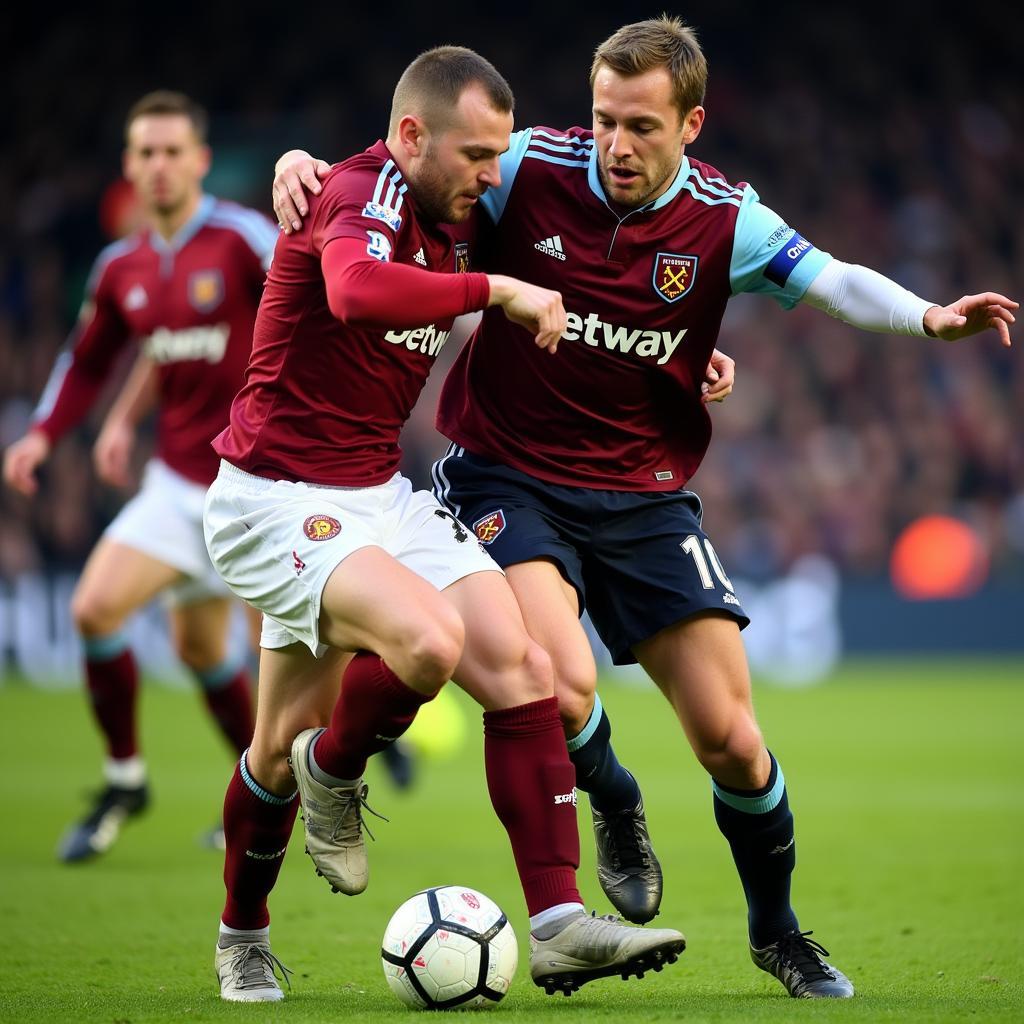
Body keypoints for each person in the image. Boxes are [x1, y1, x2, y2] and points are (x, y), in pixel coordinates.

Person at [275, 17, 1017, 1000]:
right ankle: (613, 796)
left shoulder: (726, 216)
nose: (615, 146)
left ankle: (778, 932)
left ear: (691, 125)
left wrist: (927, 317)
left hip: (645, 498)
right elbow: (395, 176)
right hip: (508, 476)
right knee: (561, 680)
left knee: (733, 740)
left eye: (640, 127)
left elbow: (829, 279)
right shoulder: (526, 167)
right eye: (603, 119)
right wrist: (304, 164)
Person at [203, 45, 685, 1004]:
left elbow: (590, 288)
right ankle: (311, 814)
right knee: (427, 643)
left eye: (501, 154)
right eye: (475, 154)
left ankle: (555, 922)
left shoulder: (457, 209)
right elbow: (353, 290)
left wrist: (683, 359)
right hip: (276, 498)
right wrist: (492, 292)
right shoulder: (363, 195)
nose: (492, 176)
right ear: (411, 135)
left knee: (522, 669)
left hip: (375, 495)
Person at [2, 91, 276, 862]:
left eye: (171, 152)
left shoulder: (242, 239)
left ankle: (285, 785)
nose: (158, 167)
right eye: (145, 154)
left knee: (245, 651)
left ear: (200, 161)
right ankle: (126, 779)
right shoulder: (122, 265)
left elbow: (313, 302)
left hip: (259, 484)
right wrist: (43, 437)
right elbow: (86, 360)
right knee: (97, 611)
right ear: (129, 166)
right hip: (177, 484)